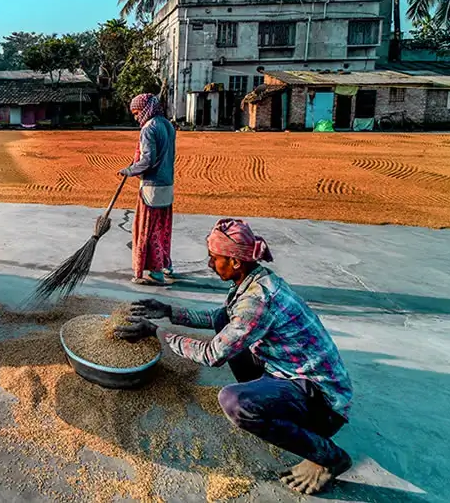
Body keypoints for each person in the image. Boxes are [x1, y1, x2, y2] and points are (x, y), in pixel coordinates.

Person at [115, 218, 353, 496]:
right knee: (223, 322)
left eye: (214, 258)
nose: (209, 264)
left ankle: (328, 457)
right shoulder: (254, 281)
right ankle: (269, 407)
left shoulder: (258, 299)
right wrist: (169, 311)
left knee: (235, 402)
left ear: (235, 262)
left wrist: (158, 334)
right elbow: (221, 318)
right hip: (287, 372)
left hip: (321, 403)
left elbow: (211, 354)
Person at [118, 93, 176, 286]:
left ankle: (156, 272)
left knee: (147, 230)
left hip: (152, 188)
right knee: (162, 229)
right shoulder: (167, 125)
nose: (136, 117)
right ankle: (166, 265)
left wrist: (129, 170)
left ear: (145, 110)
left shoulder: (148, 128)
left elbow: (147, 161)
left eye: (136, 113)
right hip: (167, 185)